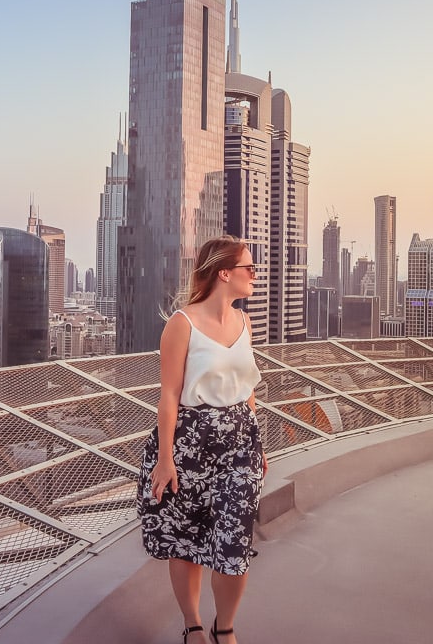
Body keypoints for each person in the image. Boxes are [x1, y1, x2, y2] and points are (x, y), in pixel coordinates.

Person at [137, 235, 267, 644]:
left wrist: (256, 444)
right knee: (186, 539)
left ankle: (224, 626)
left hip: (239, 444)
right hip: (190, 443)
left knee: (234, 545)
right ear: (224, 273)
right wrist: (164, 459)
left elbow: (247, 387)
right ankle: (194, 624)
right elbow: (169, 396)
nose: (255, 276)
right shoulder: (182, 324)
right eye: (249, 269)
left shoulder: (244, 322)